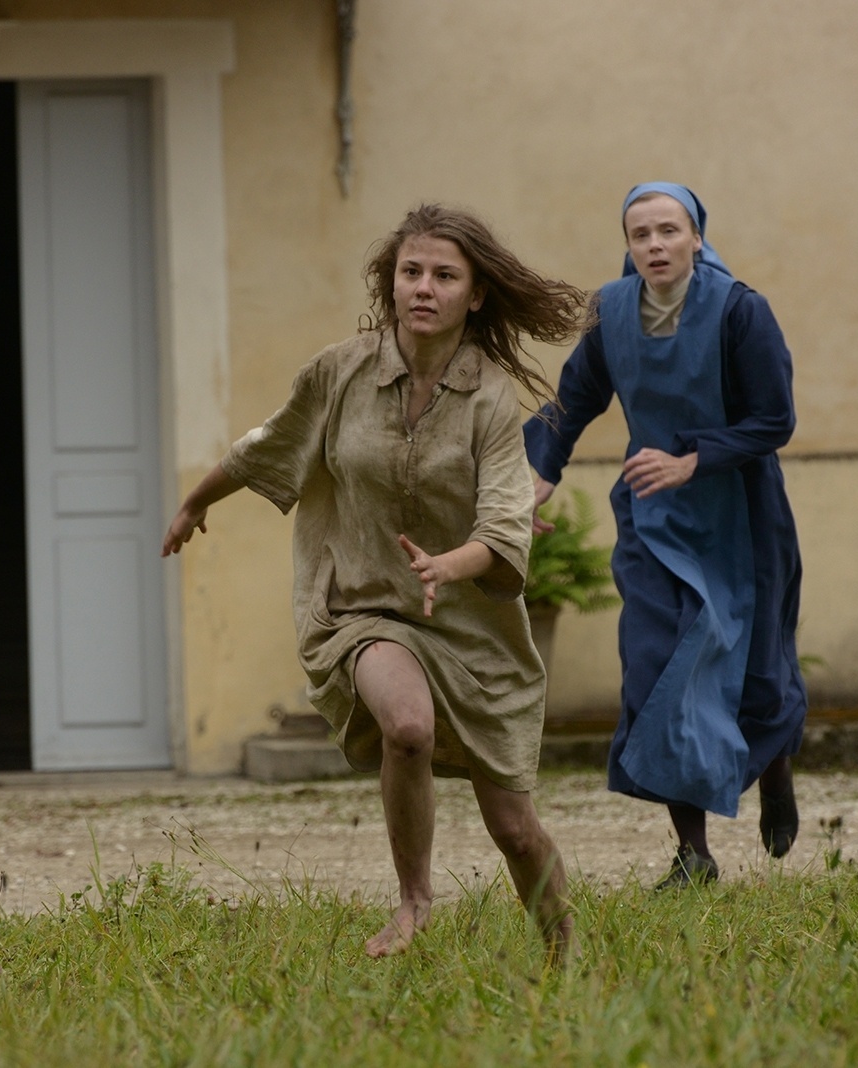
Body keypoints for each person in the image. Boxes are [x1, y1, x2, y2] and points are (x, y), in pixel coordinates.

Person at [163, 205, 587, 960]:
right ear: (390, 283)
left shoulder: (489, 395)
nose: (424, 288)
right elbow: (270, 443)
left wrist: (446, 564)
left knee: (516, 830)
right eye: (411, 272)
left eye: (444, 276)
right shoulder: (340, 371)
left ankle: (567, 947)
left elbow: (502, 524)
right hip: (363, 607)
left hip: (471, 624)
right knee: (409, 726)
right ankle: (414, 902)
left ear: (476, 294)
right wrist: (198, 498)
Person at [523, 182, 807, 888]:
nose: (654, 244)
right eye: (640, 234)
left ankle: (775, 774)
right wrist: (538, 474)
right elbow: (573, 400)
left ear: (697, 238)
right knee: (658, 673)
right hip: (655, 520)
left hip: (742, 513)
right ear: (628, 245)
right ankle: (693, 855)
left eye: (668, 231)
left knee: (755, 670)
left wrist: (693, 460)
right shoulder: (613, 314)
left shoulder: (742, 311)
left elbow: (775, 422)